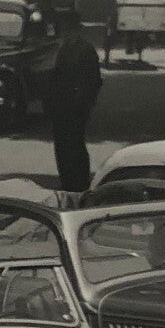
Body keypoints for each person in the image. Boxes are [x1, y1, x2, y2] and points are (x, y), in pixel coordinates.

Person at [48, 10, 103, 193]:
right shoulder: (65, 49)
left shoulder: (84, 50)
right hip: (62, 104)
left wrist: (85, 100)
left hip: (76, 104)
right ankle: (67, 180)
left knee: (74, 143)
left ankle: (77, 182)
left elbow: (94, 79)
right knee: (63, 144)